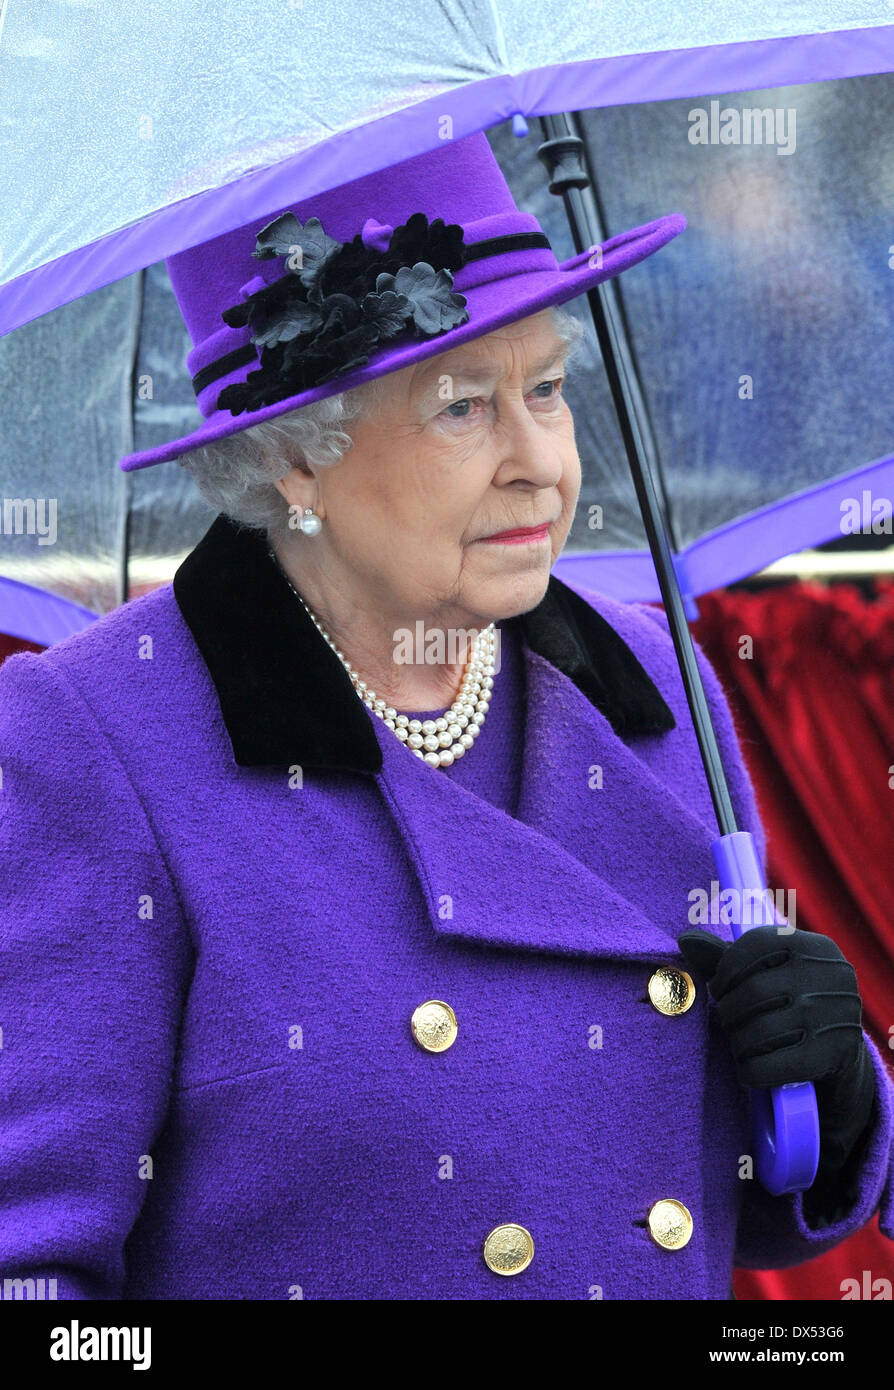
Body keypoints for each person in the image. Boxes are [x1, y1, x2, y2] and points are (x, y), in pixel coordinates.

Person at [0, 131, 891, 1301]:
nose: (541, 462)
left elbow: (684, 1199)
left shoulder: (652, 673)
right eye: (464, 407)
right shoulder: (94, 742)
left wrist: (830, 1092)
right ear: (294, 462)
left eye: (550, 389)